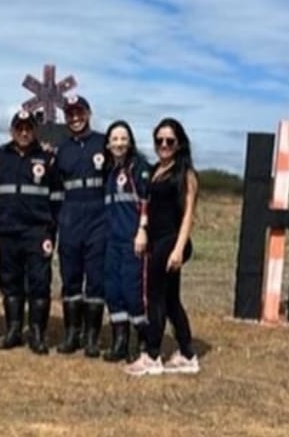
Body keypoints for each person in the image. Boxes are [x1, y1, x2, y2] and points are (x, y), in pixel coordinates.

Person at [125, 117, 199, 376]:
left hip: (172, 241)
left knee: (155, 297)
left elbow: (189, 214)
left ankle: (152, 355)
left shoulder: (185, 174)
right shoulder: (156, 170)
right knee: (169, 301)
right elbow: (148, 205)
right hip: (155, 239)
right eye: (160, 140)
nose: (164, 145)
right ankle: (188, 353)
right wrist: (143, 230)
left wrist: (178, 250)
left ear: (179, 144)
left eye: (170, 141)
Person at [0, 111, 62, 355]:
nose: (24, 133)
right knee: (10, 281)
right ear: (12, 130)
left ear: (35, 130)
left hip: (37, 230)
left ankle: (37, 333)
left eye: (28, 128)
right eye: (19, 128)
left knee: (39, 283)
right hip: (8, 230)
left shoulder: (48, 158)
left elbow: (57, 197)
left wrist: (51, 228)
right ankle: (13, 330)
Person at [53, 95, 108, 357]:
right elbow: (54, 188)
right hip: (71, 218)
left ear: (88, 113)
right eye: (70, 114)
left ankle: (91, 338)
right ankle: (72, 334)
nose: (75, 118)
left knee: (96, 281)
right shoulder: (61, 148)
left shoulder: (103, 143)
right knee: (71, 279)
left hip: (98, 220)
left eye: (79, 113)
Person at [101, 120, 150, 363]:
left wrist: (142, 230)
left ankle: (144, 342)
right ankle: (119, 341)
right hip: (112, 241)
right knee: (113, 290)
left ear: (130, 141)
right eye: (114, 139)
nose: (119, 143)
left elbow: (146, 201)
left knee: (133, 292)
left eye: (123, 138)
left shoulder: (139, 168)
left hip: (133, 241)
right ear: (108, 144)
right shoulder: (109, 171)